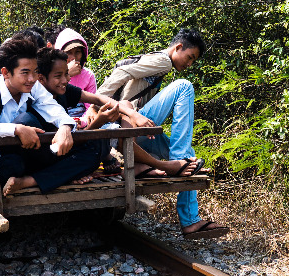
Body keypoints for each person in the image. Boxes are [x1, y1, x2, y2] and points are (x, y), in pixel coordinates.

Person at [97, 28, 229, 240]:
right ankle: (178, 162)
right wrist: (96, 102)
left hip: (127, 127)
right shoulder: (163, 61)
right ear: (178, 47)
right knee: (184, 87)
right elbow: (121, 73)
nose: (189, 64)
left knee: (191, 158)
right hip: (123, 122)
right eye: (190, 57)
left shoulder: (159, 64)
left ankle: (191, 222)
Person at [0, 35, 104, 195]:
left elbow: (52, 108)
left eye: (35, 72)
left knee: (97, 145)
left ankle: (30, 181)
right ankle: (63, 174)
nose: (31, 78)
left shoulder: (33, 86)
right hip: (11, 158)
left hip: (37, 154)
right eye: (25, 73)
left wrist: (65, 126)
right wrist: (16, 129)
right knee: (22, 131)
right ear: (6, 72)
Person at [36, 47, 203, 179]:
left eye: (66, 74)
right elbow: (72, 144)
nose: (65, 80)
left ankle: (183, 162)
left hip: (77, 144)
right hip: (55, 156)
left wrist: (133, 114)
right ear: (41, 78)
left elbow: (99, 98)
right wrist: (98, 120)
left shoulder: (65, 89)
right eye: (59, 76)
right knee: (183, 87)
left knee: (124, 107)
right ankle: (167, 165)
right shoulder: (37, 102)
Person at [54, 28, 97, 120]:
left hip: (84, 122)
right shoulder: (51, 75)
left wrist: (81, 122)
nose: (73, 58)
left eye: (77, 52)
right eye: (69, 53)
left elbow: (90, 108)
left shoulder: (88, 75)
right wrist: (67, 73)